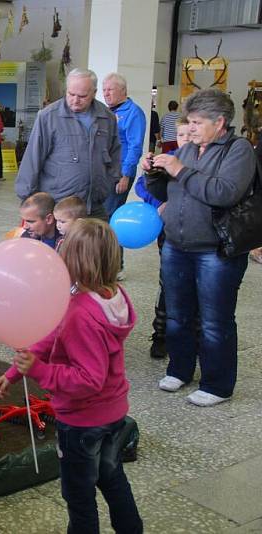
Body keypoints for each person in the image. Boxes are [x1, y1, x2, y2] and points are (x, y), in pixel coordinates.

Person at [0, 218, 143, 534]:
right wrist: (15, 372)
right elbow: (51, 336)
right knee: (112, 478)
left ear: (72, 262)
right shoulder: (113, 296)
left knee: (79, 495)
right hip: (114, 413)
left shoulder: (80, 314)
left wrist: (39, 370)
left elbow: (88, 379)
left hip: (83, 423)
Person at [143, 88, 256, 406]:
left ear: (219, 122)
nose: (189, 129)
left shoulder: (239, 150)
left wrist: (180, 169)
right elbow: (170, 192)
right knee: (178, 315)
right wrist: (154, 173)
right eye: (188, 122)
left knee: (214, 319)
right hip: (177, 245)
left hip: (215, 250)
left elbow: (224, 192)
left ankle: (217, 385)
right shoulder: (191, 150)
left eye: (196, 122)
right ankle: (180, 368)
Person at [16, 68, 121, 220]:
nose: (75, 100)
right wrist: (27, 200)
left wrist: (107, 186)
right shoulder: (48, 117)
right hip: (58, 207)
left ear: (94, 92)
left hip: (94, 206)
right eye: (71, 94)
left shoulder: (107, 118)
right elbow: (32, 159)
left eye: (82, 96)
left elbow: (115, 155)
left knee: (99, 243)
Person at [135, 118, 191, 359]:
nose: (186, 140)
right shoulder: (169, 158)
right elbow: (142, 185)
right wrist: (159, 202)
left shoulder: (204, 162)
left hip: (198, 233)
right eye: (181, 135)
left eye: (190, 134)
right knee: (167, 284)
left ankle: (193, 339)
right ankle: (160, 335)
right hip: (170, 233)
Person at [102, 72, 146, 279]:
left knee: (112, 218)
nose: (106, 93)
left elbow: (135, 146)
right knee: (101, 217)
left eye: (110, 89)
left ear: (123, 91)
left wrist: (125, 175)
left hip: (118, 173)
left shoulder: (133, 113)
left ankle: (116, 266)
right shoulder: (106, 111)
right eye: (104, 89)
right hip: (102, 171)